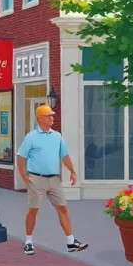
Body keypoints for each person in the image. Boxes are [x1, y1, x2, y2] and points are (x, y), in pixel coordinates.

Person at [16, 104, 88, 256]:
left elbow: (65, 155)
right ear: (40, 118)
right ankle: (28, 242)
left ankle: (71, 242)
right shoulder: (31, 137)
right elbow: (20, 157)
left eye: (52, 116)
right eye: (49, 116)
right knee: (33, 210)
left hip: (54, 179)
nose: (52, 118)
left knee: (63, 208)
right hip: (36, 179)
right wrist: (24, 176)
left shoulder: (57, 136)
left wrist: (72, 171)